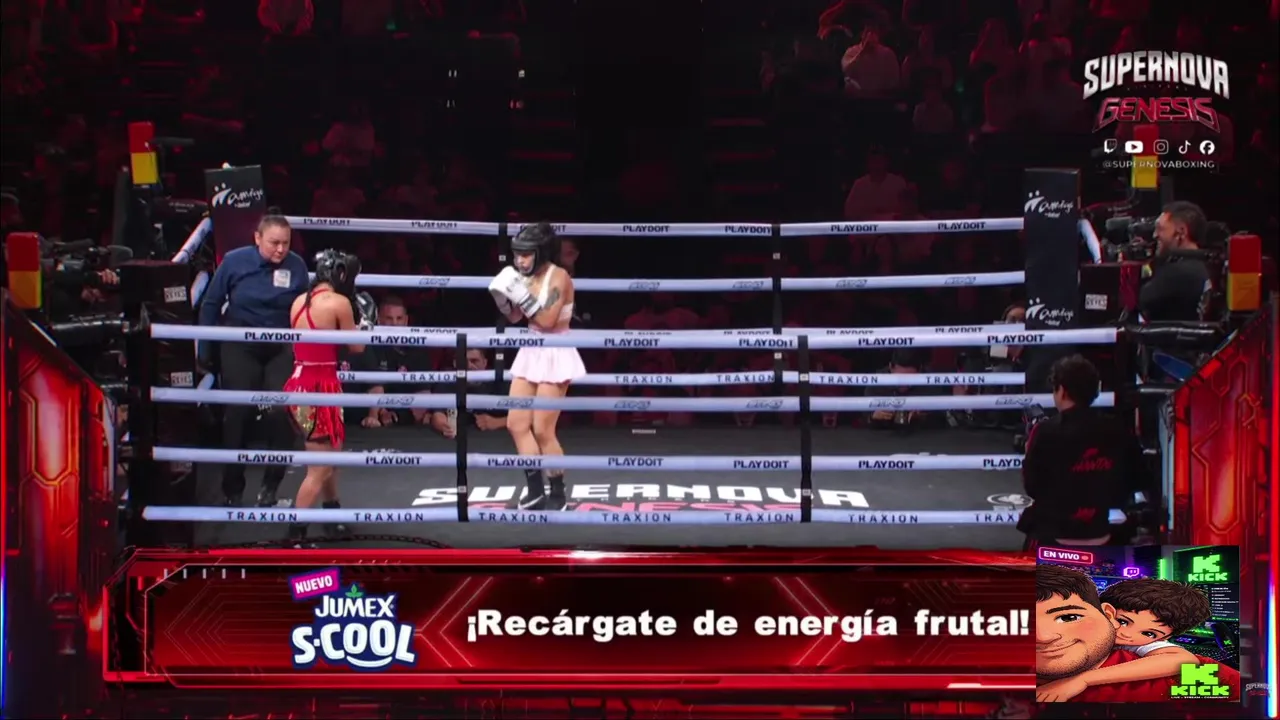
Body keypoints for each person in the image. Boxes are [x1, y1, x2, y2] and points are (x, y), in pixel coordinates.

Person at [198, 213, 309, 507]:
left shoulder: (296, 265)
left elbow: (305, 311)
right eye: (274, 243)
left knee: (281, 411)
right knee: (237, 412)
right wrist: (204, 351)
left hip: (281, 344)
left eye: (285, 243)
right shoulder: (234, 261)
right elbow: (211, 303)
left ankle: (270, 486)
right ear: (257, 238)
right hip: (240, 342)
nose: (280, 249)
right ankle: (232, 489)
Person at [1035, 564, 1241, 702]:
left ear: (1165, 637)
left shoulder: (1143, 650)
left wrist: (1084, 679)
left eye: (1149, 633)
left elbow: (1182, 661)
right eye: (1123, 621)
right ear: (1106, 612)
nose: (1127, 634)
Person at [487, 222, 584, 510]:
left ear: (541, 252)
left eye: (526, 255)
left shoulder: (559, 277)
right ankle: (535, 490)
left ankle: (558, 492)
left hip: (555, 351)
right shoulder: (524, 276)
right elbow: (517, 318)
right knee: (516, 423)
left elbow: (547, 321)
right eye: (517, 254)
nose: (520, 261)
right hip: (531, 349)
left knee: (543, 429)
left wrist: (518, 291)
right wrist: (502, 299)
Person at [282, 250, 376, 541]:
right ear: (341, 275)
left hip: (299, 382)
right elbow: (357, 348)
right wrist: (367, 322)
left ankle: (332, 515)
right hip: (318, 389)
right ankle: (295, 534)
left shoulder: (299, 301)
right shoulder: (338, 303)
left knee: (329, 459)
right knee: (320, 467)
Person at [1017, 355, 1149, 549]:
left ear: (1062, 391)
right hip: (1101, 534)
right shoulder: (1118, 431)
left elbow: (1032, 486)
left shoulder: (1045, 432)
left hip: (1053, 538)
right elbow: (1137, 479)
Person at [346, 296, 433, 429]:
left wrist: (399, 416)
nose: (394, 324)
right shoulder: (367, 347)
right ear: (379, 320)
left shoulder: (417, 350)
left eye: (399, 318)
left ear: (406, 320)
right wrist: (379, 412)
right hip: (366, 420)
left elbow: (424, 394)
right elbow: (366, 388)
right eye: (389, 318)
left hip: (406, 425)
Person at [1139, 201, 1213, 322]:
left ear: (1181, 232)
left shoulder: (1179, 273)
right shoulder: (1205, 266)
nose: (1154, 235)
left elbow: (1137, 301)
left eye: (1160, 228)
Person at [426, 349, 509, 436]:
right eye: (463, 362)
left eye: (474, 361)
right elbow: (438, 415)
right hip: (456, 438)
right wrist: (442, 425)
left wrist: (497, 422)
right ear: (455, 363)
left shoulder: (500, 381)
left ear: (485, 363)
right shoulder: (446, 380)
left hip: (497, 439)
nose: (469, 366)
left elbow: (519, 414)